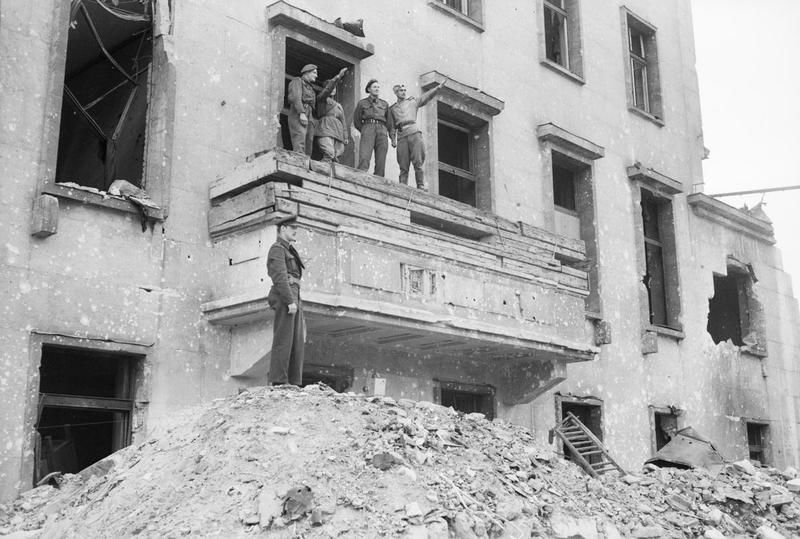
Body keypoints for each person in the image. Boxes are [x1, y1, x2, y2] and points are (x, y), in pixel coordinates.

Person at [266, 215, 306, 386]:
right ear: (283, 229)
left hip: (294, 294)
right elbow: (280, 277)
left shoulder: (289, 250)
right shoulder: (277, 249)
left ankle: (293, 382)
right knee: (284, 339)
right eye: (292, 228)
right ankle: (279, 380)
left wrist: (295, 300)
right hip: (285, 296)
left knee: (296, 340)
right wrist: (290, 301)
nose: (295, 231)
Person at [389, 80, 446, 189]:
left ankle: (420, 185)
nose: (403, 92)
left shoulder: (412, 102)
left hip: (414, 133)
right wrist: (393, 139)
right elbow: (391, 126)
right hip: (402, 136)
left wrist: (437, 88)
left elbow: (425, 97)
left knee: (418, 161)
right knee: (403, 164)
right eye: (400, 90)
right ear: (396, 93)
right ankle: (402, 186)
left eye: (404, 90)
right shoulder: (392, 109)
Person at [286, 65, 347, 155]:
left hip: (310, 115)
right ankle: (299, 158)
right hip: (301, 111)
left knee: (309, 139)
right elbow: (296, 97)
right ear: (306, 72)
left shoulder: (311, 88)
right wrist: (301, 112)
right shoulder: (297, 81)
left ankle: (306, 161)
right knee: (300, 136)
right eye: (314, 73)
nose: (316, 76)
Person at [353, 79, 392, 176]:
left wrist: (388, 133)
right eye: (374, 87)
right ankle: (361, 176)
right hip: (368, 127)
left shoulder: (384, 104)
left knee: (381, 158)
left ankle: (379, 179)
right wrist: (364, 130)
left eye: (378, 87)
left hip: (382, 130)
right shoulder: (362, 103)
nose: (377, 89)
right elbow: (357, 120)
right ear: (369, 89)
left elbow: (389, 122)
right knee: (365, 156)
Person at [315, 75, 349, 162]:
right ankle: (322, 167)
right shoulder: (322, 99)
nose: (334, 90)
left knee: (337, 154)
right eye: (332, 88)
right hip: (326, 127)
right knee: (329, 152)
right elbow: (327, 91)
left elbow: (343, 122)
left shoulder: (339, 105)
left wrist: (345, 136)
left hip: (338, 131)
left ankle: (331, 170)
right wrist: (337, 78)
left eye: (335, 88)